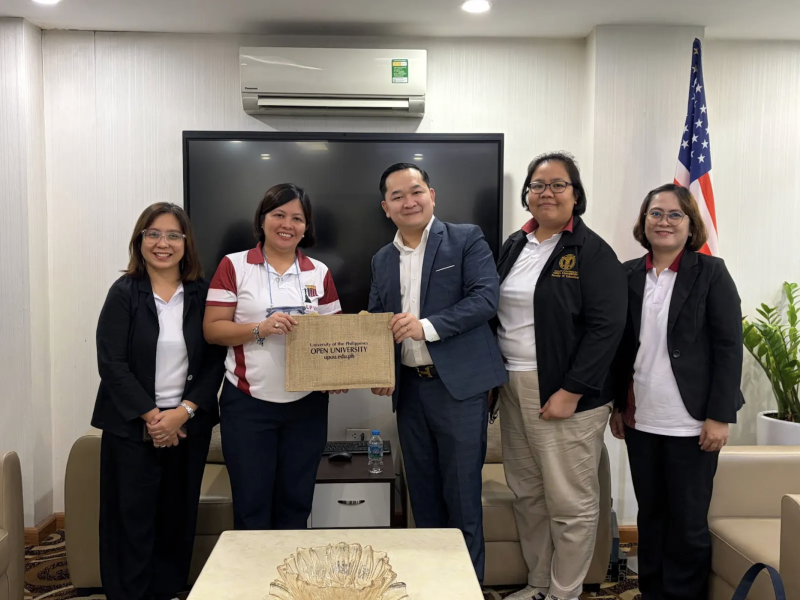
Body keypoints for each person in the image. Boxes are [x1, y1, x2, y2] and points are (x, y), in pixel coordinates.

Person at [496, 152, 627, 600]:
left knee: (570, 503)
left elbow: (606, 329)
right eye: (537, 185)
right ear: (526, 194)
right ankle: (537, 584)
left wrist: (572, 390)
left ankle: (564, 592)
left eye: (557, 184)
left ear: (576, 194)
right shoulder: (516, 244)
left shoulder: (592, 251)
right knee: (528, 496)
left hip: (565, 393)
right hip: (512, 387)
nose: (546, 192)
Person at [368, 163, 507, 583]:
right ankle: (432, 586)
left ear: (432, 195)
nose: (408, 201)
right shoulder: (381, 258)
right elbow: (376, 317)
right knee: (423, 498)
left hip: (459, 390)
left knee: (463, 498)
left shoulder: (465, 238)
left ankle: (466, 588)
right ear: (385, 207)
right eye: (397, 196)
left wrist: (426, 327)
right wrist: (376, 363)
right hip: (410, 392)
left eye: (416, 191)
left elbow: (486, 299)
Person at [609, 183, 744, 600]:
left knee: (686, 523)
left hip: (693, 421)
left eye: (674, 215)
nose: (663, 222)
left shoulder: (712, 272)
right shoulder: (628, 273)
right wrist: (617, 404)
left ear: (690, 226)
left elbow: (728, 346)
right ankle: (651, 593)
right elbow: (618, 345)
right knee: (651, 518)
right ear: (643, 222)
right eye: (655, 213)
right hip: (641, 419)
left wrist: (719, 415)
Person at [92, 203, 225, 600]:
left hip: (189, 426)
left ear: (187, 244)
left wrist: (182, 413)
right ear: (140, 240)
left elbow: (216, 359)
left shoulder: (202, 293)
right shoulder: (124, 292)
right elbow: (111, 363)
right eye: (153, 234)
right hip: (132, 428)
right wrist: (155, 418)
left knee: (176, 519)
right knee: (130, 522)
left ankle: (168, 592)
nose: (162, 243)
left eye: (173, 235)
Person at [203, 183, 344, 531]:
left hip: (307, 406)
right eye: (279, 214)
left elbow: (337, 335)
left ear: (307, 227)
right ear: (263, 219)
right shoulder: (234, 265)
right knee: (252, 507)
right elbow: (213, 329)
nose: (288, 224)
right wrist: (259, 329)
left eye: (298, 218)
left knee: (296, 504)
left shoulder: (319, 272)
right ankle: (254, 585)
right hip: (249, 404)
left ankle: (288, 583)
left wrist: (341, 374)